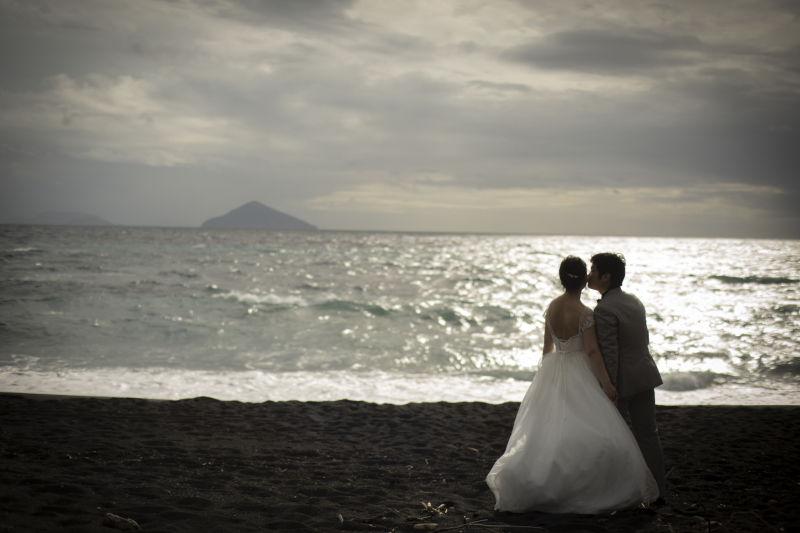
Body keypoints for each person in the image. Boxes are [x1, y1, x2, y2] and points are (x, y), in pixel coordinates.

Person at [486, 256, 658, 514]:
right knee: (590, 426)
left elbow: (547, 350)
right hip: (580, 370)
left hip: (555, 370)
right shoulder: (586, 313)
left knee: (551, 427)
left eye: (594, 271)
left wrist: (548, 378)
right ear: (581, 280)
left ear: (562, 279)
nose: (590, 275)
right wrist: (607, 384)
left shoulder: (552, 307)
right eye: (587, 272)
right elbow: (593, 353)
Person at [588, 253, 666, 503]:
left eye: (593, 270)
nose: (589, 274)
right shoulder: (635, 301)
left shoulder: (604, 309)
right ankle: (659, 494)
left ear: (606, 276)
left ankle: (614, 494)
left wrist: (608, 386)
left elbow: (609, 353)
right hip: (645, 376)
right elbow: (643, 340)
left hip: (622, 384)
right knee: (648, 436)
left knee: (612, 440)